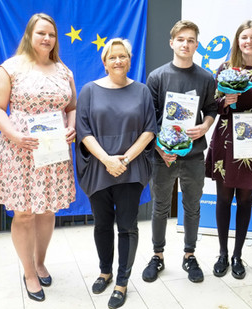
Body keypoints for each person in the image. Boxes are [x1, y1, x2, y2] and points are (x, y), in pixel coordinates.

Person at [0, 13, 77, 302]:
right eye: (41, 33)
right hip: (21, 151)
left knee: (48, 210)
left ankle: (40, 261)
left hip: (53, 151)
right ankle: (29, 271)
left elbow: (72, 106)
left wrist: (72, 126)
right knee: (24, 213)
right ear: (29, 35)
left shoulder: (63, 70)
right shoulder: (11, 67)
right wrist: (15, 135)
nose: (47, 39)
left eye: (51, 34)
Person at [75, 38, 156, 309]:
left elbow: (149, 130)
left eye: (123, 56)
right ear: (104, 62)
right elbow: (84, 132)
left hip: (130, 171)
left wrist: (125, 159)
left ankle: (122, 281)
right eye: (113, 57)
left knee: (127, 226)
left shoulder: (142, 91)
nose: (118, 61)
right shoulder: (88, 90)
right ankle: (105, 272)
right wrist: (108, 160)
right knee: (101, 224)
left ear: (129, 60)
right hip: (99, 167)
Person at [142, 20, 217, 284]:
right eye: (181, 39)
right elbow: (149, 118)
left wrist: (205, 126)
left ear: (197, 45)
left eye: (191, 40)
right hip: (164, 156)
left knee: (192, 207)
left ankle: (189, 255)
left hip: (194, 155)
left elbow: (211, 109)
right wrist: (160, 148)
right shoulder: (157, 76)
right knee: (160, 207)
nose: (186, 44)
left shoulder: (206, 77)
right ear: (171, 42)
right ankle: (157, 255)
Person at [205, 20, 252, 280]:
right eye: (244, 37)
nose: (248, 42)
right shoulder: (224, 69)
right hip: (226, 142)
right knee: (223, 199)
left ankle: (237, 256)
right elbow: (213, 105)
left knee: (245, 200)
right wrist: (226, 101)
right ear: (237, 41)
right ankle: (223, 253)